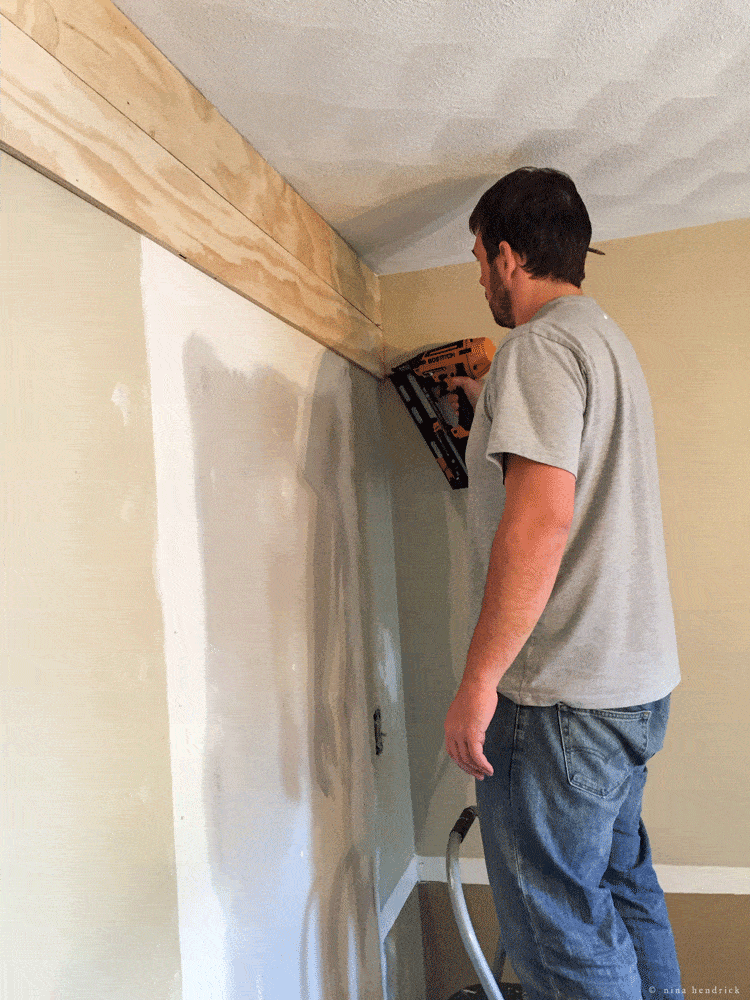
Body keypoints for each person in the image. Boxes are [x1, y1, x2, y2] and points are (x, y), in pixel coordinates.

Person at [443, 167, 682, 1000]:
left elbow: (540, 523)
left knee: (559, 934)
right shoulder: (601, 341)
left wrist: (478, 682)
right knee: (619, 890)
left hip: (559, 702)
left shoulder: (538, 349)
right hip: (631, 690)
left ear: (509, 256)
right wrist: (490, 410)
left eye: (478, 258)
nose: (479, 278)